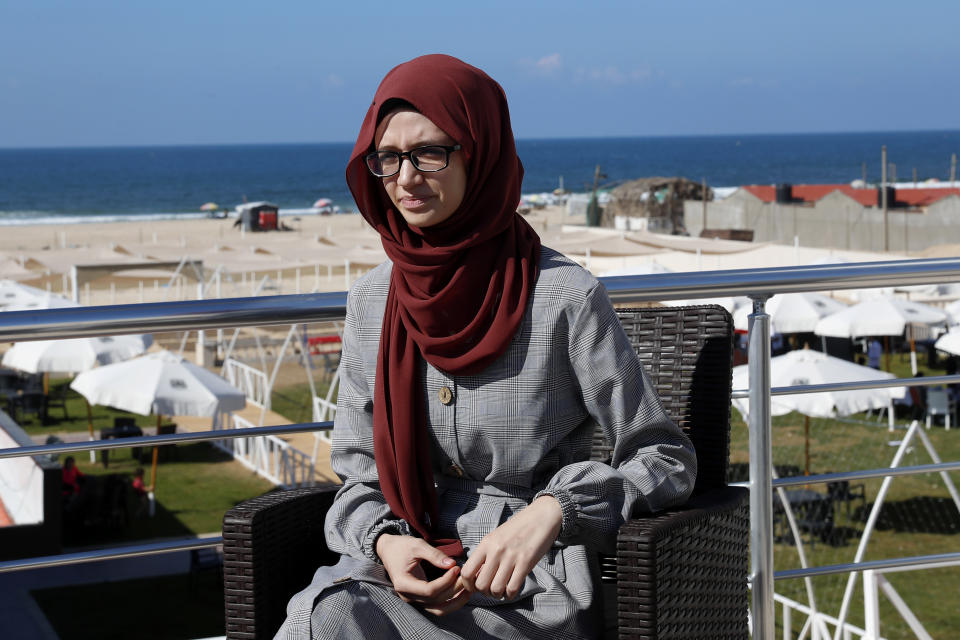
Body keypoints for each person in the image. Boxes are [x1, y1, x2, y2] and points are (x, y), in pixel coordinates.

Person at [277, 54, 696, 639]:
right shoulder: (372, 303)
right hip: (397, 576)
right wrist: (388, 543)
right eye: (388, 157)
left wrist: (553, 512)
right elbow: (357, 479)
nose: (405, 177)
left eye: (429, 152)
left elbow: (666, 459)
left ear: (480, 151)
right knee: (336, 616)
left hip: (525, 589)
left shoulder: (561, 297)